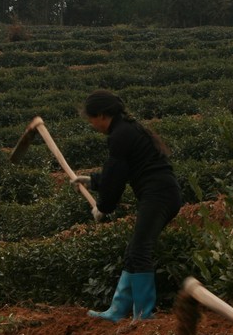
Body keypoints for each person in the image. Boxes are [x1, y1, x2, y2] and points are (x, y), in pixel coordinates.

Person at [72, 89, 183, 322]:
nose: (91, 124)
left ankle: (144, 314)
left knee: (141, 250)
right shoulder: (126, 129)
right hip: (160, 193)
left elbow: (116, 177)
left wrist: (102, 206)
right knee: (134, 249)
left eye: (90, 119)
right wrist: (92, 181)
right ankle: (118, 309)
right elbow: (121, 170)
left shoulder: (120, 135)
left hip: (159, 195)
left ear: (101, 115)